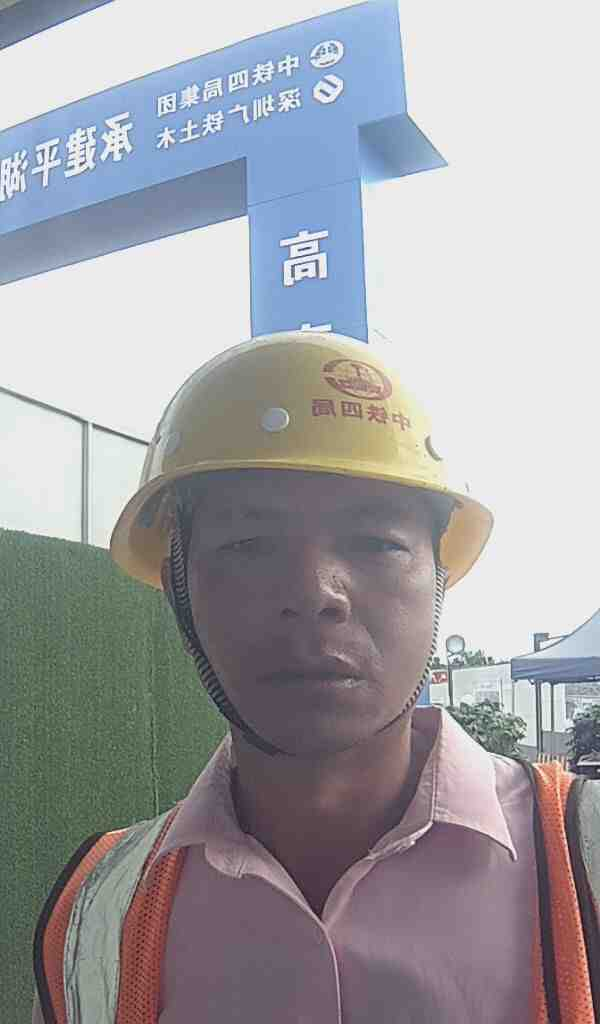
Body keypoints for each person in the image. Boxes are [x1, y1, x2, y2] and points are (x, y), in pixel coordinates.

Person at [32, 332, 598, 1024]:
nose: (314, 591)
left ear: (439, 578)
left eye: (376, 542)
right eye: (249, 544)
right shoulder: (95, 913)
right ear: (178, 587)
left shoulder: (585, 860)